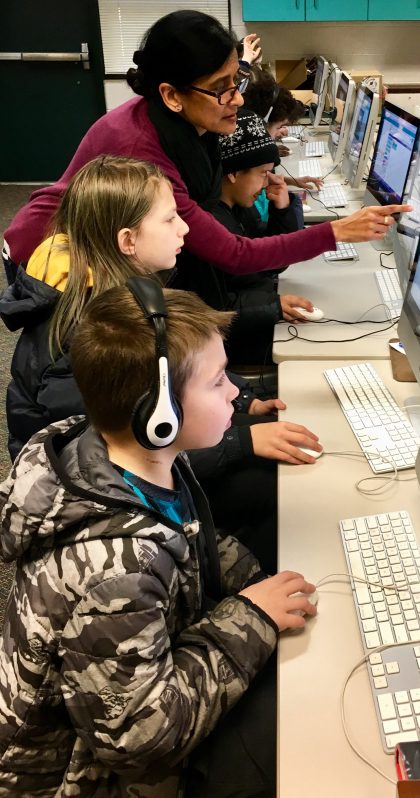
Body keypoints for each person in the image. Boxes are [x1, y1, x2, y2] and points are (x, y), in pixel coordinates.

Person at [0, 279, 318, 796]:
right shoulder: (118, 568)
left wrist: (261, 580)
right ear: (160, 416)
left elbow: (191, 538)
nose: (236, 391)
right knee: (295, 730)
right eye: (218, 382)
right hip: (81, 776)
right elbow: (142, 739)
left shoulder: (129, 456)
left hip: (127, 685)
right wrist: (251, 620)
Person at [0, 156, 323, 572]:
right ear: (128, 241)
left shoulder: (125, 294)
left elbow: (174, 377)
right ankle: (234, 588)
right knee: (268, 482)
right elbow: (120, 451)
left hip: (140, 444)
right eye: (170, 219)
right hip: (97, 489)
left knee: (270, 442)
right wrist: (240, 442)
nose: (185, 228)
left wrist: (242, 403)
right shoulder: (99, 334)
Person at [4, 10, 406, 281]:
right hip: (52, 258)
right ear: (172, 95)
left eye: (237, 80)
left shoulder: (187, 115)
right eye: (221, 89)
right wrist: (337, 231)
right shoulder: (142, 154)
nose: (237, 99)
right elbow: (234, 254)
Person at [202, 110, 316, 364]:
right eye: (263, 173)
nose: (267, 183)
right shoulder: (210, 225)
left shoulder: (238, 208)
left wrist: (282, 209)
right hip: (232, 346)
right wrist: (272, 306)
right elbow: (211, 308)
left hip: (251, 321)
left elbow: (269, 260)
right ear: (232, 173)